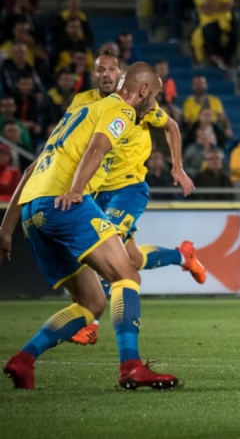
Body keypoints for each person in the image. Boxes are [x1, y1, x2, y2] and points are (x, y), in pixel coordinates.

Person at [0, 62, 180, 390]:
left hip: (33, 211)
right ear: (142, 90)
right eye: (154, 95)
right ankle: (131, 367)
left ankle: (23, 360)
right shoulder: (120, 109)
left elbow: (29, 170)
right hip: (64, 201)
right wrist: (76, 190)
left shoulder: (80, 113)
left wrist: (5, 230)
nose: (154, 103)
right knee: (126, 275)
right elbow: (99, 146)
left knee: (91, 303)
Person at [66, 53, 204, 345]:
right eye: (100, 69)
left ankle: (91, 323)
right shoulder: (83, 102)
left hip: (129, 188)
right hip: (97, 191)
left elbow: (171, 126)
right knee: (133, 259)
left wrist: (177, 167)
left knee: (103, 247)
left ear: (122, 75)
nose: (106, 74)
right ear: (93, 75)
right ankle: (183, 256)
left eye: (111, 69)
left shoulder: (141, 105)